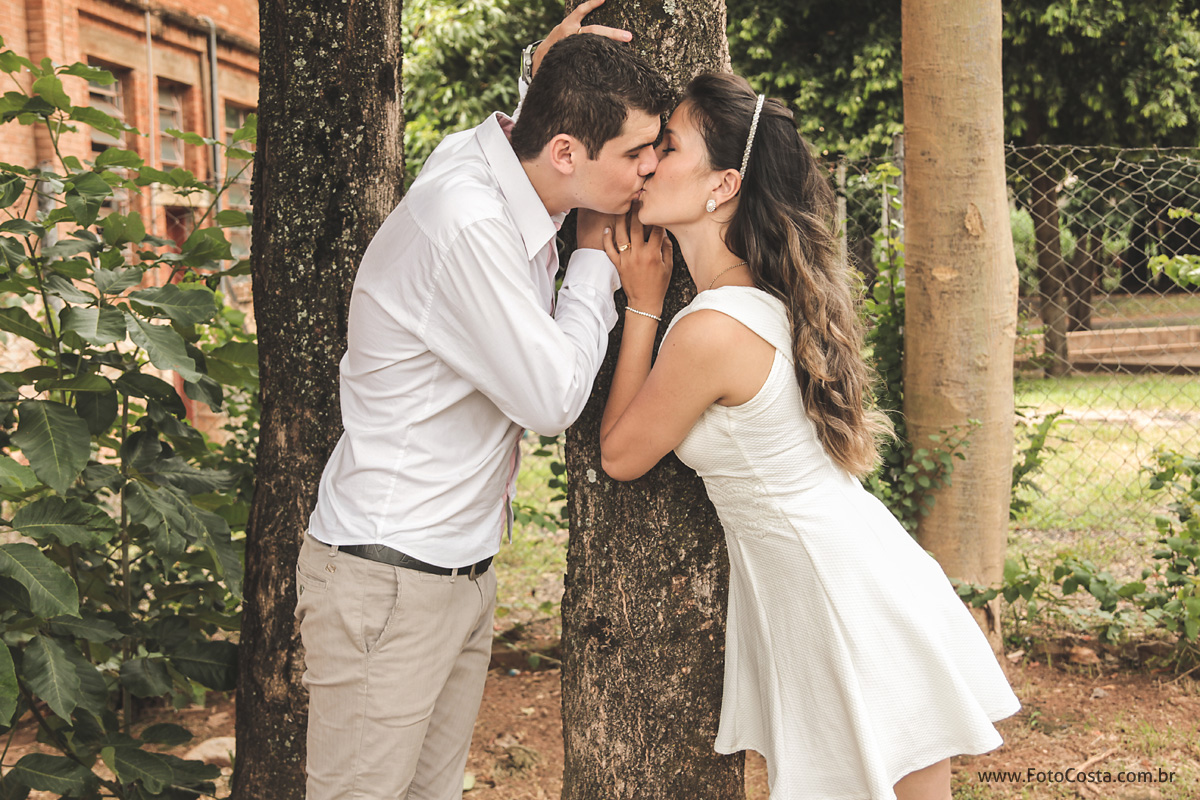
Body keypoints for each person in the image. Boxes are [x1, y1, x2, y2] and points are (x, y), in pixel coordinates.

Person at [593, 72, 1020, 800]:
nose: (648, 160)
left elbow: (620, 454)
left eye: (668, 145)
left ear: (721, 185)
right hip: (857, 568)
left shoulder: (712, 329)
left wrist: (643, 305)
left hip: (833, 594)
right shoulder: (761, 300)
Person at [294, 3, 673, 797]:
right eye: (639, 151)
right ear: (566, 151)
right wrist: (600, 267)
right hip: (390, 582)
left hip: (453, 575)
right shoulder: (467, 222)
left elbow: (514, 138)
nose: (650, 169)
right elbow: (550, 394)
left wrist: (543, 76)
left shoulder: (495, 164)